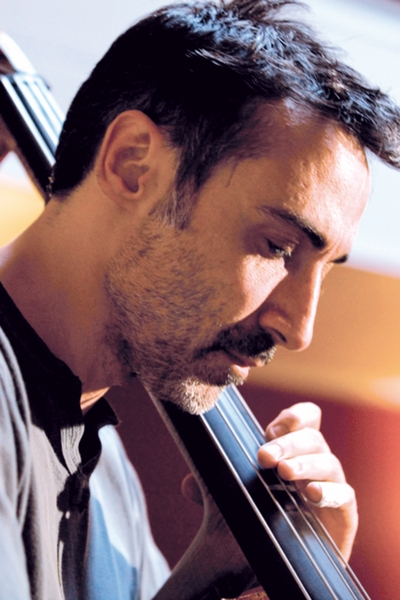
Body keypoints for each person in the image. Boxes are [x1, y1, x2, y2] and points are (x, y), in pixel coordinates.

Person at [0, 0, 399, 598]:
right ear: (133, 165)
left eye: (324, 271)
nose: (299, 329)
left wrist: (225, 571)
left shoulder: (107, 480)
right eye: (277, 247)